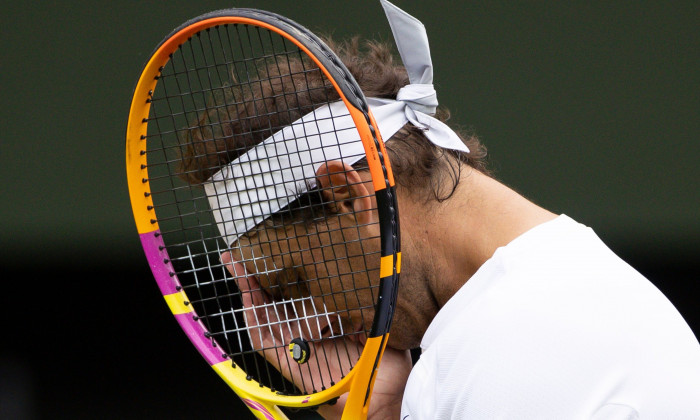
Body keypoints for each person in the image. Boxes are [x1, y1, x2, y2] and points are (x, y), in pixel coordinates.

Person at [186, 1, 700, 418]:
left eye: (295, 280)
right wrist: (384, 413)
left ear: (348, 195)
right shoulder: (531, 311)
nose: (315, 321)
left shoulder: (522, 345)